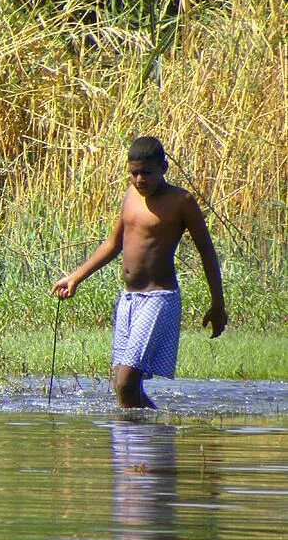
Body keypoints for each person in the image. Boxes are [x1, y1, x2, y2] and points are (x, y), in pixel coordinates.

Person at [50, 136, 227, 408]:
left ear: (164, 168)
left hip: (159, 299)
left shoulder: (181, 201)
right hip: (129, 299)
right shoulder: (131, 194)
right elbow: (113, 244)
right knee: (122, 384)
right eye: (134, 173)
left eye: (147, 172)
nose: (140, 179)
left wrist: (218, 304)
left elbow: (207, 251)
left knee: (126, 381)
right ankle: (134, 444)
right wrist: (75, 277)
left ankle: (151, 437)